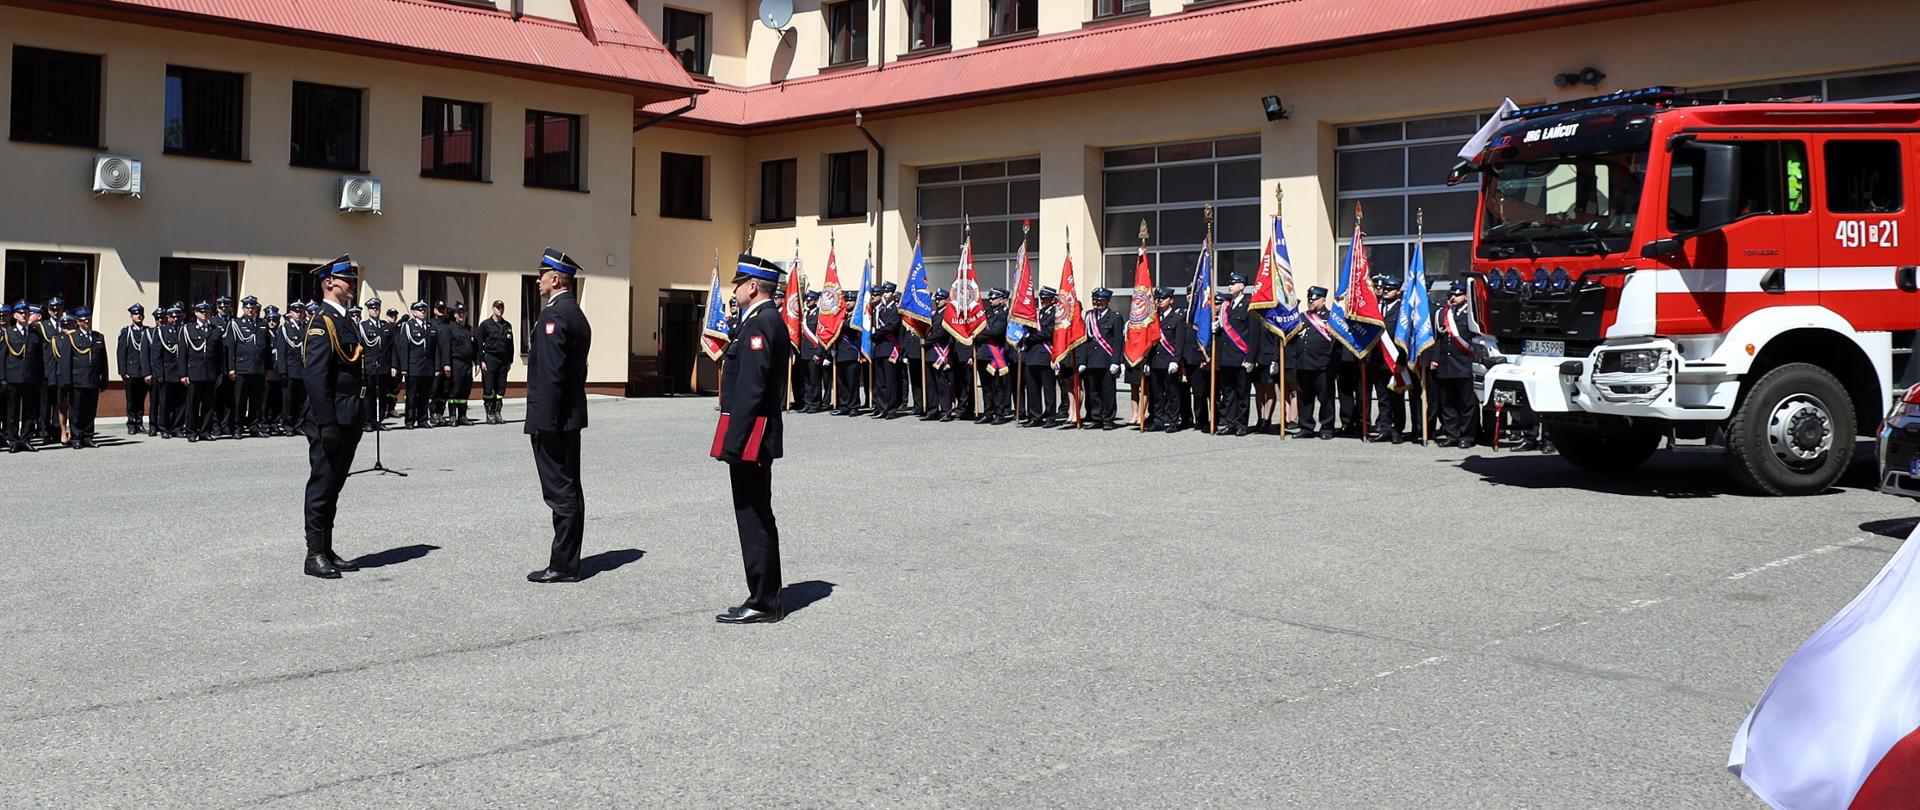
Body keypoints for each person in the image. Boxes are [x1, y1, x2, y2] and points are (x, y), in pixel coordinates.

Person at [715, 254, 790, 624]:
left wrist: (733, 442)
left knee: (753, 516)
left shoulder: (761, 325)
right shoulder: (760, 321)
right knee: (756, 513)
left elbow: (750, 390)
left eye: (738, 282)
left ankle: (763, 600)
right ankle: (765, 593)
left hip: (752, 439)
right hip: (755, 435)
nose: (735, 289)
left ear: (752, 286)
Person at [525, 249, 593, 584]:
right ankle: (569, 560)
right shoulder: (575, 314)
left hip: (553, 418)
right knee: (569, 487)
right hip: (569, 415)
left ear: (555, 279)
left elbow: (551, 374)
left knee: (560, 491)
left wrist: (545, 423)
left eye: (541, 275)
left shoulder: (554, 317)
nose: (538, 280)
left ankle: (564, 564)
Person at [301, 256, 367, 579]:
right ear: (329, 283)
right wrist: (326, 423)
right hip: (330, 420)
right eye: (346, 279)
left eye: (352, 279)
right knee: (322, 485)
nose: (351, 284)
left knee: (335, 487)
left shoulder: (345, 320)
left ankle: (326, 547)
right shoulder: (321, 322)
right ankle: (313, 554)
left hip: (348, 416)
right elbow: (315, 378)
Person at [1432, 280, 1478, 449]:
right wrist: (1435, 359)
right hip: (1446, 364)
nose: (1453, 298)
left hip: (1464, 363)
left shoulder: (1472, 315)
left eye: (1457, 295)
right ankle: (1452, 434)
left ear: (1466, 296)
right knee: (1447, 402)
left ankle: (1466, 436)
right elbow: (1440, 339)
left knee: (1466, 403)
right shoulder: (1445, 314)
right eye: (1451, 295)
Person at [1214, 274, 1256, 436]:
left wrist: (1251, 357)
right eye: (1229, 284)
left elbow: (1253, 333)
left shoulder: (1249, 305)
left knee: (1242, 393)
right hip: (1227, 357)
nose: (1230, 286)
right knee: (1229, 392)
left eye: (1234, 283)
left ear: (1242, 286)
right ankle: (1230, 423)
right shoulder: (1228, 306)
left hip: (1241, 357)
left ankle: (1241, 425)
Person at [225, 296, 272, 438]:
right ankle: (237, 427)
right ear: (243, 309)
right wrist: (231, 368)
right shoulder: (236, 324)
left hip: (258, 369)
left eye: (253, 308)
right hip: (242, 368)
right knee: (239, 401)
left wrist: (268, 368)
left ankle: (254, 426)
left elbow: (268, 349)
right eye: (248, 308)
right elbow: (230, 348)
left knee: (256, 400)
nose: (250, 310)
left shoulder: (263, 324)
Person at [1295, 287, 1338, 439]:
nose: (1311, 302)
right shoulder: (1302, 317)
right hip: (1304, 364)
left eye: (1314, 299)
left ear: (1323, 300)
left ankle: (1327, 428)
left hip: (1323, 364)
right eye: (1309, 299)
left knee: (1325, 398)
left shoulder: (1331, 318)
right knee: (1305, 398)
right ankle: (1306, 427)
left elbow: (1336, 343)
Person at [1078, 288, 1123, 430]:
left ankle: (1108, 419)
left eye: (1101, 301)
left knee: (1108, 391)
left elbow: (1117, 342)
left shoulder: (1115, 317)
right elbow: (1086, 341)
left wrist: (1116, 361)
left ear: (1108, 302)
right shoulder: (1089, 316)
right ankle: (1096, 417)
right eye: (1095, 300)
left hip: (1107, 360)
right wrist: (1082, 361)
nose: (1098, 303)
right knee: (1094, 391)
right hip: (1092, 361)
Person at [64, 310, 106, 448]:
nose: (86, 322)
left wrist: (104, 379)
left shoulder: (98, 337)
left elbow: (103, 361)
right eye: (83, 320)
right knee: (76, 410)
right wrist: (67, 381)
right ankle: (76, 437)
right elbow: (66, 361)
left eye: (88, 319)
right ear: (77, 322)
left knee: (90, 410)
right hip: (77, 380)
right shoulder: (72, 337)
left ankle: (88, 436)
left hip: (93, 380)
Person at [1018, 287, 1058, 427]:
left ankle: (1050, 417)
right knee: (1032, 388)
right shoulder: (1037, 314)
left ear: (1053, 299)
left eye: (1046, 298)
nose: (1043, 301)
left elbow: (1049, 333)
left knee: (1048, 388)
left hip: (1045, 355)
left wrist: (1030, 336)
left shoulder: (1055, 314)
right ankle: (1034, 416)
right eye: (1041, 298)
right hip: (1031, 356)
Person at [1147, 288, 1184, 433]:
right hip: (1155, 361)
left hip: (1169, 362)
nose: (1159, 301)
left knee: (1172, 393)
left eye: (1163, 298)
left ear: (1171, 300)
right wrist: (1147, 361)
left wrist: (1176, 360)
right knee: (1156, 393)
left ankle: (1173, 420)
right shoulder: (1153, 318)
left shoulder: (1177, 318)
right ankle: (1158, 420)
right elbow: (1149, 342)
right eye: (1157, 299)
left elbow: (1179, 342)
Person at [396, 302, 438, 429]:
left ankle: (423, 419)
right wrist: (404, 368)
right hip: (413, 367)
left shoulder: (431, 327)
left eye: (425, 310)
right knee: (412, 395)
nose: (423, 312)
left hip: (427, 367)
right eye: (420, 310)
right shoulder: (408, 327)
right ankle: (409, 420)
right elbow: (404, 348)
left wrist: (436, 367)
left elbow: (435, 349)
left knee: (425, 395)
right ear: (413, 312)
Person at [357, 297, 394, 430]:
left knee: (382, 395)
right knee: (369, 395)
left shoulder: (386, 326)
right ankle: (368, 421)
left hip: (383, 367)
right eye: (373, 308)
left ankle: (379, 420)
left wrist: (393, 365)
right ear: (368, 310)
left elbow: (392, 349)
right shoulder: (363, 327)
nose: (375, 310)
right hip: (369, 366)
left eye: (377, 308)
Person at [977, 288, 1013, 425]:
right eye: (990, 298)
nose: (991, 300)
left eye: (994, 298)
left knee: (998, 386)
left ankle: (1000, 413)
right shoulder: (987, 312)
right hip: (983, 354)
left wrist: (978, 335)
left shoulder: (1004, 314)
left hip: (996, 355)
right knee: (986, 386)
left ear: (1002, 299)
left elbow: (995, 331)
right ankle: (988, 412)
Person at [117, 304, 154, 436]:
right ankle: (131, 423)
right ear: (131, 316)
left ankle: (139, 422)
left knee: (141, 398)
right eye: (136, 314)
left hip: (144, 371)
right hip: (131, 371)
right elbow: (121, 352)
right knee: (131, 399)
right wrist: (123, 371)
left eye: (140, 314)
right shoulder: (127, 332)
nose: (139, 316)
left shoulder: (148, 331)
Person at [477, 300, 515, 424]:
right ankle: (490, 413)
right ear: (493, 309)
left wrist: (510, 361)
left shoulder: (507, 325)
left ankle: (497, 412)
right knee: (488, 388)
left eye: (502, 308)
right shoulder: (485, 325)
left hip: (503, 360)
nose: (500, 310)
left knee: (501, 388)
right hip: (490, 359)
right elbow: (479, 344)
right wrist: (481, 361)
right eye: (498, 308)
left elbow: (511, 345)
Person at [275, 304, 308, 437]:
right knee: (288, 401)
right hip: (290, 370)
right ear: (291, 313)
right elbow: (281, 351)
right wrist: (283, 371)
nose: (298, 314)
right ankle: (288, 425)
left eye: (300, 311)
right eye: (296, 311)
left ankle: (299, 425)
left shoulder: (306, 328)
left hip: (303, 371)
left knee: (301, 400)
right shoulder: (285, 329)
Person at [443, 302, 478, 426]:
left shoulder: (470, 330)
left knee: (465, 390)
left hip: (468, 364)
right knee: (455, 390)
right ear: (455, 315)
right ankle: (452, 416)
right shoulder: (450, 328)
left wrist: (477, 362)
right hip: (455, 362)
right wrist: (447, 364)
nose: (461, 315)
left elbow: (475, 348)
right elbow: (446, 348)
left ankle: (462, 416)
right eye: (459, 313)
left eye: (463, 313)